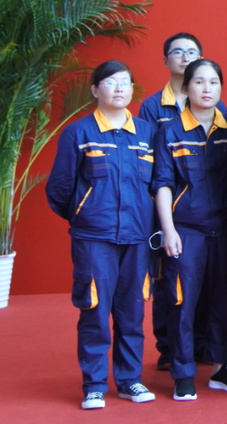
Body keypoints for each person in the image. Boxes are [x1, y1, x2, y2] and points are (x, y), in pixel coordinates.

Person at [46, 61, 157, 410]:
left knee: (132, 312)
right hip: (94, 238)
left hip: (137, 237)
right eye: (110, 83)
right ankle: (94, 385)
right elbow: (59, 189)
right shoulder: (78, 133)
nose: (119, 88)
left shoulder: (147, 133)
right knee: (94, 311)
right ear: (96, 90)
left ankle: (129, 380)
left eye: (125, 82)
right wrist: (86, 214)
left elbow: (158, 185)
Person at [151, 58, 227, 401]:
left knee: (224, 301)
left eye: (213, 82)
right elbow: (162, 183)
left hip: (226, 228)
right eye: (199, 82)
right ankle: (183, 373)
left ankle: (222, 367)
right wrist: (168, 229)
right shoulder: (170, 130)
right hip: (186, 230)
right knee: (182, 300)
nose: (207, 89)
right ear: (186, 87)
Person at [137, 32, 212, 371]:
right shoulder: (153, 106)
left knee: (205, 280)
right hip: (165, 203)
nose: (184, 57)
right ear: (165, 60)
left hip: (204, 208)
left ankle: (203, 343)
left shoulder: (214, 102)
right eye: (177, 52)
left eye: (192, 51)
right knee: (168, 279)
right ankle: (168, 347)